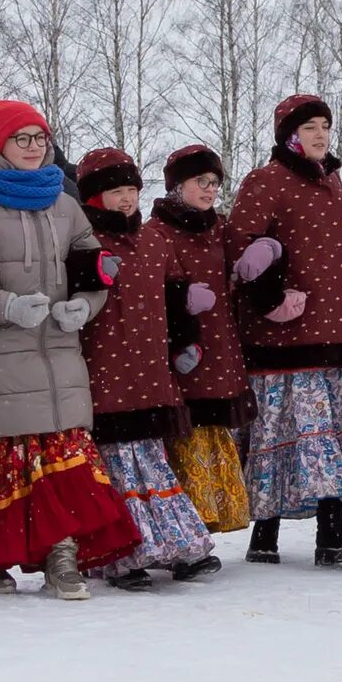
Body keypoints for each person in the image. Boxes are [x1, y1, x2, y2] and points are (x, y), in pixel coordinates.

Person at [0, 99, 138, 600]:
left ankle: (61, 556)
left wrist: (84, 306)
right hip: (1, 358)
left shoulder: (65, 206)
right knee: (9, 466)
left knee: (67, 464)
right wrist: (6, 305)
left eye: (39, 138)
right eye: (21, 138)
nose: (32, 147)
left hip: (61, 356)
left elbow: (96, 270)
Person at [227, 93, 342, 567]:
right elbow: (242, 252)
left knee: (329, 431)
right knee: (285, 431)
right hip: (286, 335)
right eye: (310, 127)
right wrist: (270, 301)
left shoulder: (334, 182)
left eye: (325, 126)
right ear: (289, 136)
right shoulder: (265, 181)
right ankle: (303, 530)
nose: (320, 134)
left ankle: (311, 529)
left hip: (338, 328)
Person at [77, 148, 219, 589]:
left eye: (132, 191)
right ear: (95, 198)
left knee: (154, 463)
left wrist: (185, 341)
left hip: (151, 369)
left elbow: (175, 299)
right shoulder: (82, 241)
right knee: (119, 465)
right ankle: (122, 555)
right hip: (104, 371)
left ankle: (176, 545)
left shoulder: (154, 241)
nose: (126, 200)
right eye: (116, 192)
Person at [151, 142, 253, 536]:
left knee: (213, 430)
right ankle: (188, 521)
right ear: (177, 186)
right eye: (200, 182)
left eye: (214, 182)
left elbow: (241, 266)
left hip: (221, 345)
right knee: (185, 433)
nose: (210, 190)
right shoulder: (158, 232)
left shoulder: (221, 227)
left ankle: (214, 513)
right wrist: (178, 303)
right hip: (182, 350)